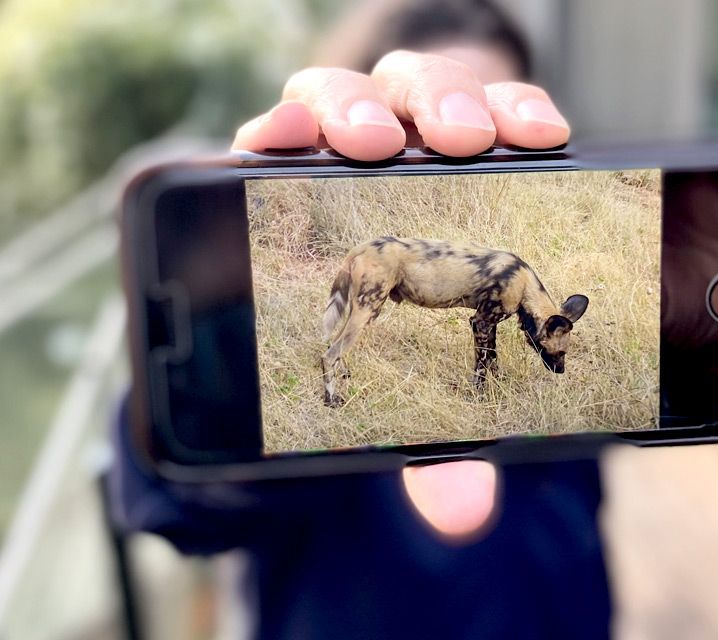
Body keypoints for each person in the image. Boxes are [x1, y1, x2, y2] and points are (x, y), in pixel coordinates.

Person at [109, 2, 614, 637]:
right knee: (347, 333)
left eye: (496, 143)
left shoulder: (554, 376)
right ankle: (332, 377)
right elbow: (171, 505)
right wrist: (227, 336)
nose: (462, 149)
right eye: (414, 142)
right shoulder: (509, 287)